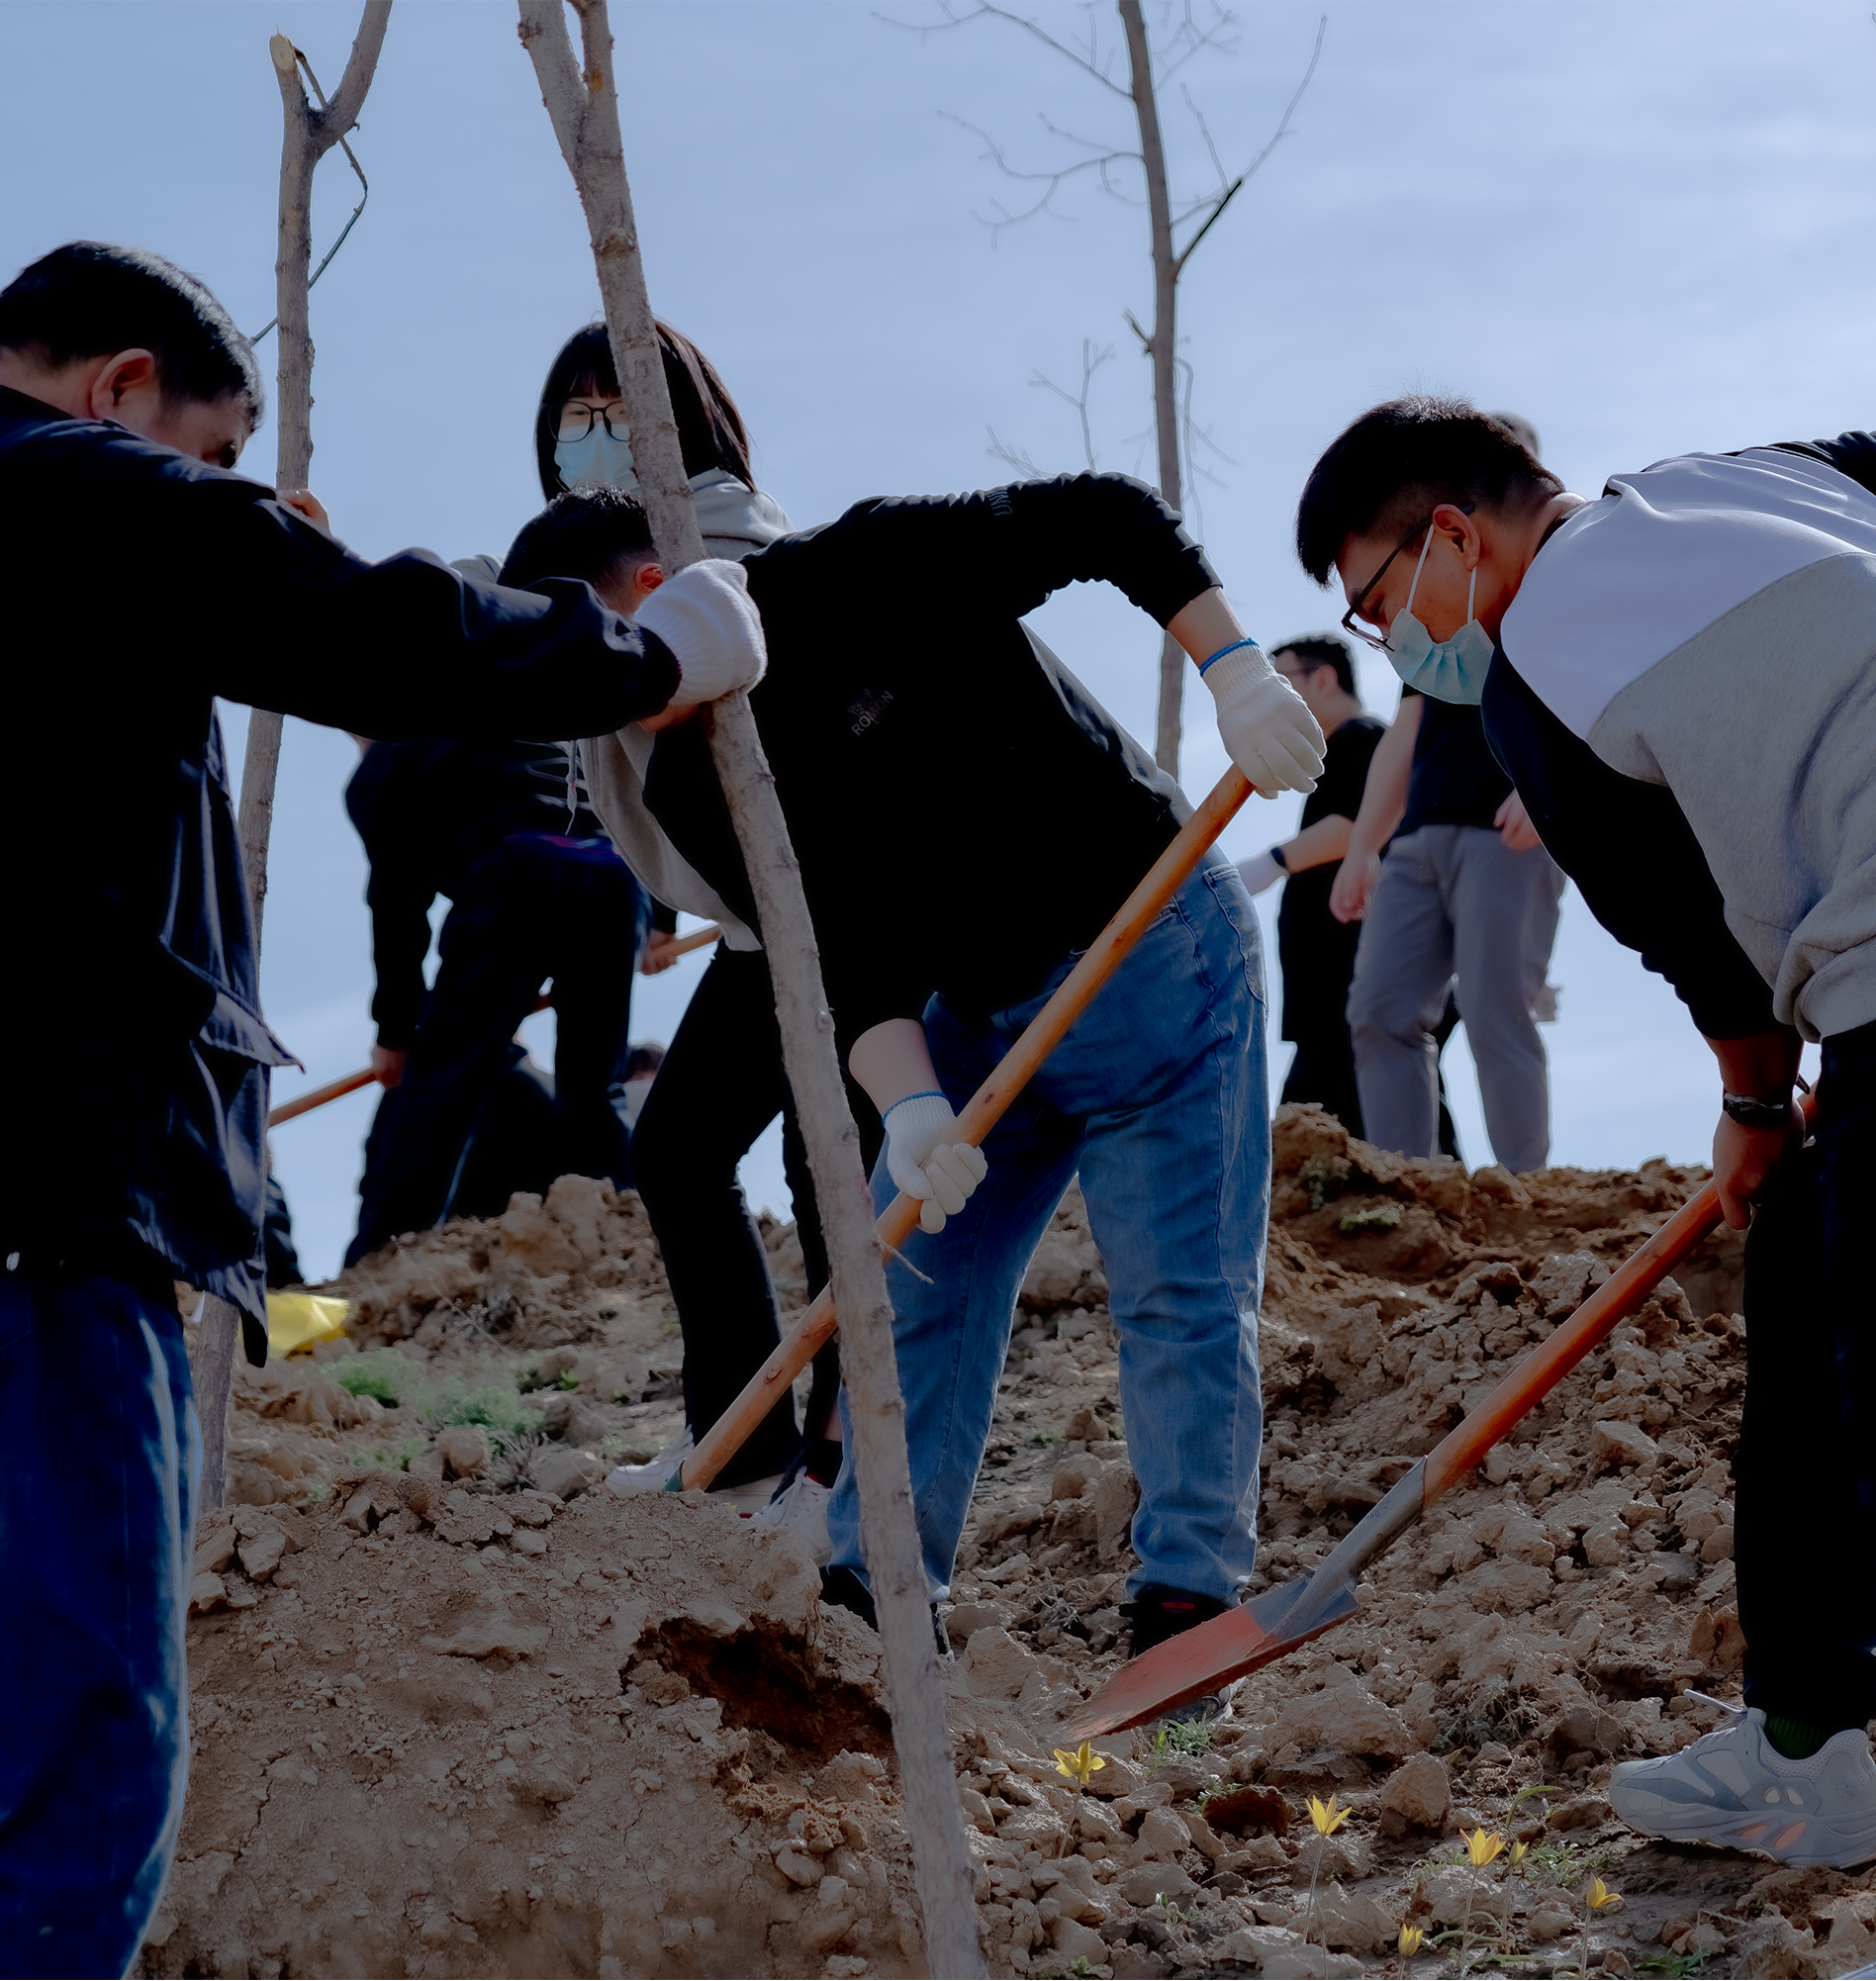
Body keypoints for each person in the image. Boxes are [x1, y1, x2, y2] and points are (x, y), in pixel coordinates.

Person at [0, 241, 765, 1978]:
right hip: (24, 1239)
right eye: (214, 456)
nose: (220, 493)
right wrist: (637, 660)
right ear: (119, 390)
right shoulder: (62, 485)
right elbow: (351, 623)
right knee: (60, 1800)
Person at [1296, 399, 1876, 1981]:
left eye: (1379, 599)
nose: (1395, 644)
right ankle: (1807, 1743)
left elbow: (1692, 937)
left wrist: (1747, 1101)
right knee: (1815, 1294)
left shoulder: (1533, 672)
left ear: (1453, 536)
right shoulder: (1755, 479)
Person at [524, 472, 1324, 1654]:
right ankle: (876, 1584)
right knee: (914, 1286)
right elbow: (835, 954)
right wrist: (907, 1105)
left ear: (652, 592)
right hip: (974, 1005)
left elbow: (1108, 518)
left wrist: (1235, 670)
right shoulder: (694, 778)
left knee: (1177, 1284)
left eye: (607, 666)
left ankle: (1187, 1598)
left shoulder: (858, 568)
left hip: (1146, 943)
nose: (613, 708)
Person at [519, 324, 868, 1513]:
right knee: (679, 1147)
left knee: (827, 1168)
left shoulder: (722, 535)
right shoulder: (592, 553)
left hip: (837, 909)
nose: (595, 430)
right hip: (766, 921)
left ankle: (843, 1456)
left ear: (685, 422)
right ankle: (746, 1438)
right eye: (576, 411)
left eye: (622, 406)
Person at [341, 709, 645, 1264]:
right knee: (594, 1091)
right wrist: (663, 921)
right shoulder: (517, 717)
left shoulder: (386, 764)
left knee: (440, 1086)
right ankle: (631, 1231)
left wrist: (397, 1033)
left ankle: (383, 1256)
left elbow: (397, 908)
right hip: (613, 875)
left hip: (513, 876)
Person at [1328, 673, 1565, 1172]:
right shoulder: (1424, 632)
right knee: (1378, 1011)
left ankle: (1525, 1191)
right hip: (1416, 840)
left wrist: (1549, 778)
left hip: (1508, 831)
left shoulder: (1541, 604)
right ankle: (1409, 1189)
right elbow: (1406, 728)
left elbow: (1587, 687)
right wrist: (1363, 847)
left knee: (1496, 1011)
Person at [1231, 636, 1388, 1137]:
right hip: (1329, 992)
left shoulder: (1362, 738)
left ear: (1323, 679)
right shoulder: (1344, 747)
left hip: (1348, 977)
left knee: (1317, 1125)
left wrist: (1272, 862)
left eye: (1284, 683)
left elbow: (1353, 827)